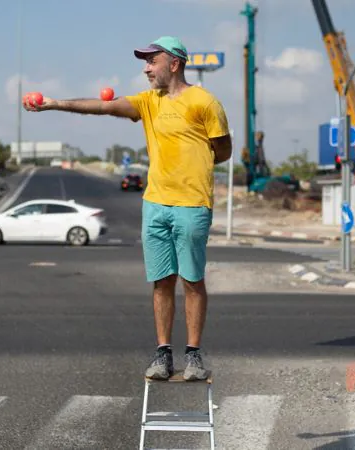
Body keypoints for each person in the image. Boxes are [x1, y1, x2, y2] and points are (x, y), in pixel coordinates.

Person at [22, 36, 232, 381]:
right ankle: (163, 353)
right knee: (161, 281)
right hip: (155, 205)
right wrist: (53, 103)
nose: (146, 68)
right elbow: (103, 107)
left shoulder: (205, 102)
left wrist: (193, 164)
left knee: (192, 280)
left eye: (152, 61)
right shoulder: (148, 103)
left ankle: (193, 354)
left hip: (192, 204)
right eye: (145, 62)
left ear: (174, 64)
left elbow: (221, 150)